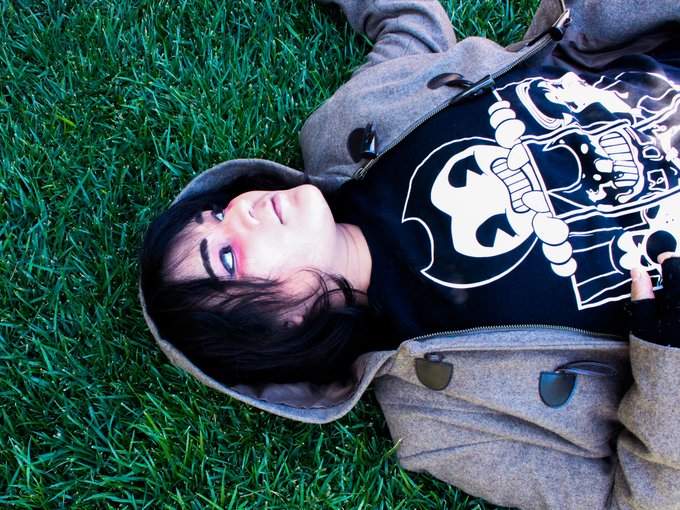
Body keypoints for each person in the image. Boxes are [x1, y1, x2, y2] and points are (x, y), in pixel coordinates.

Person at [140, 0, 680, 508]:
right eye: (227, 259)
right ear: (278, 329)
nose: (240, 210)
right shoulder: (440, 423)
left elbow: (406, 20)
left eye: (216, 212)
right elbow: (627, 498)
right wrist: (667, 361)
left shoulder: (345, 130)